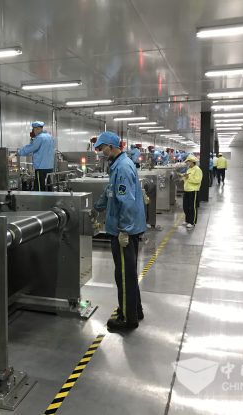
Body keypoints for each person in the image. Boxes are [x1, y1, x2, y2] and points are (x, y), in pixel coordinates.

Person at [89, 132, 146, 331]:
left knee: (123, 275)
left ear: (111, 147)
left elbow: (127, 202)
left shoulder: (122, 168)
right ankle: (136, 310)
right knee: (128, 272)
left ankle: (127, 319)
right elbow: (110, 192)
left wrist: (124, 230)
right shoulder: (117, 166)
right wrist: (97, 207)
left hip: (124, 232)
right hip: (125, 228)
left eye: (101, 148)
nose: (100, 152)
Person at [10, 121, 55, 191]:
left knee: (40, 188)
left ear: (37, 128)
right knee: (48, 187)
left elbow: (30, 148)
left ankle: (40, 198)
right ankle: (50, 198)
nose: (34, 132)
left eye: (34, 130)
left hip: (41, 167)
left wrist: (16, 154)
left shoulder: (39, 138)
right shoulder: (50, 137)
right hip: (49, 167)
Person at [181, 155, 202, 229]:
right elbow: (187, 178)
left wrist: (188, 177)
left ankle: (192, 222)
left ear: (192, 161)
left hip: (193, 190)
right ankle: (187, 220)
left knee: (193, 207)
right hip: (186, 189)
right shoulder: (189, 169)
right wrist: (183, 177)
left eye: (188, 161)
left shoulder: (197, 170)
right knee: (185, 206)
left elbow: (197, 180)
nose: (187, 163)